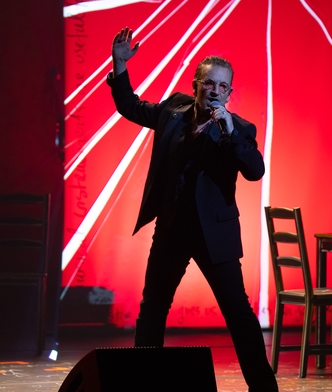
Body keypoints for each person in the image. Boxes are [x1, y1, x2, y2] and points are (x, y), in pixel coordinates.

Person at [107, 27, 278, 391]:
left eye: (222, 86)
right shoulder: (173, 111)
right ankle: (143, 385)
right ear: (196, 84)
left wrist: (230, 133)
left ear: (229, 92)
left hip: (214, 237)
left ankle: (264, 389)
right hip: (171, 230)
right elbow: (131, 106)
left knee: (239, 315)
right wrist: (120, 64)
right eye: (209, 84)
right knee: (152, 309)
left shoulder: (239, 129)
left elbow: (255, 170)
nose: (215, 91)